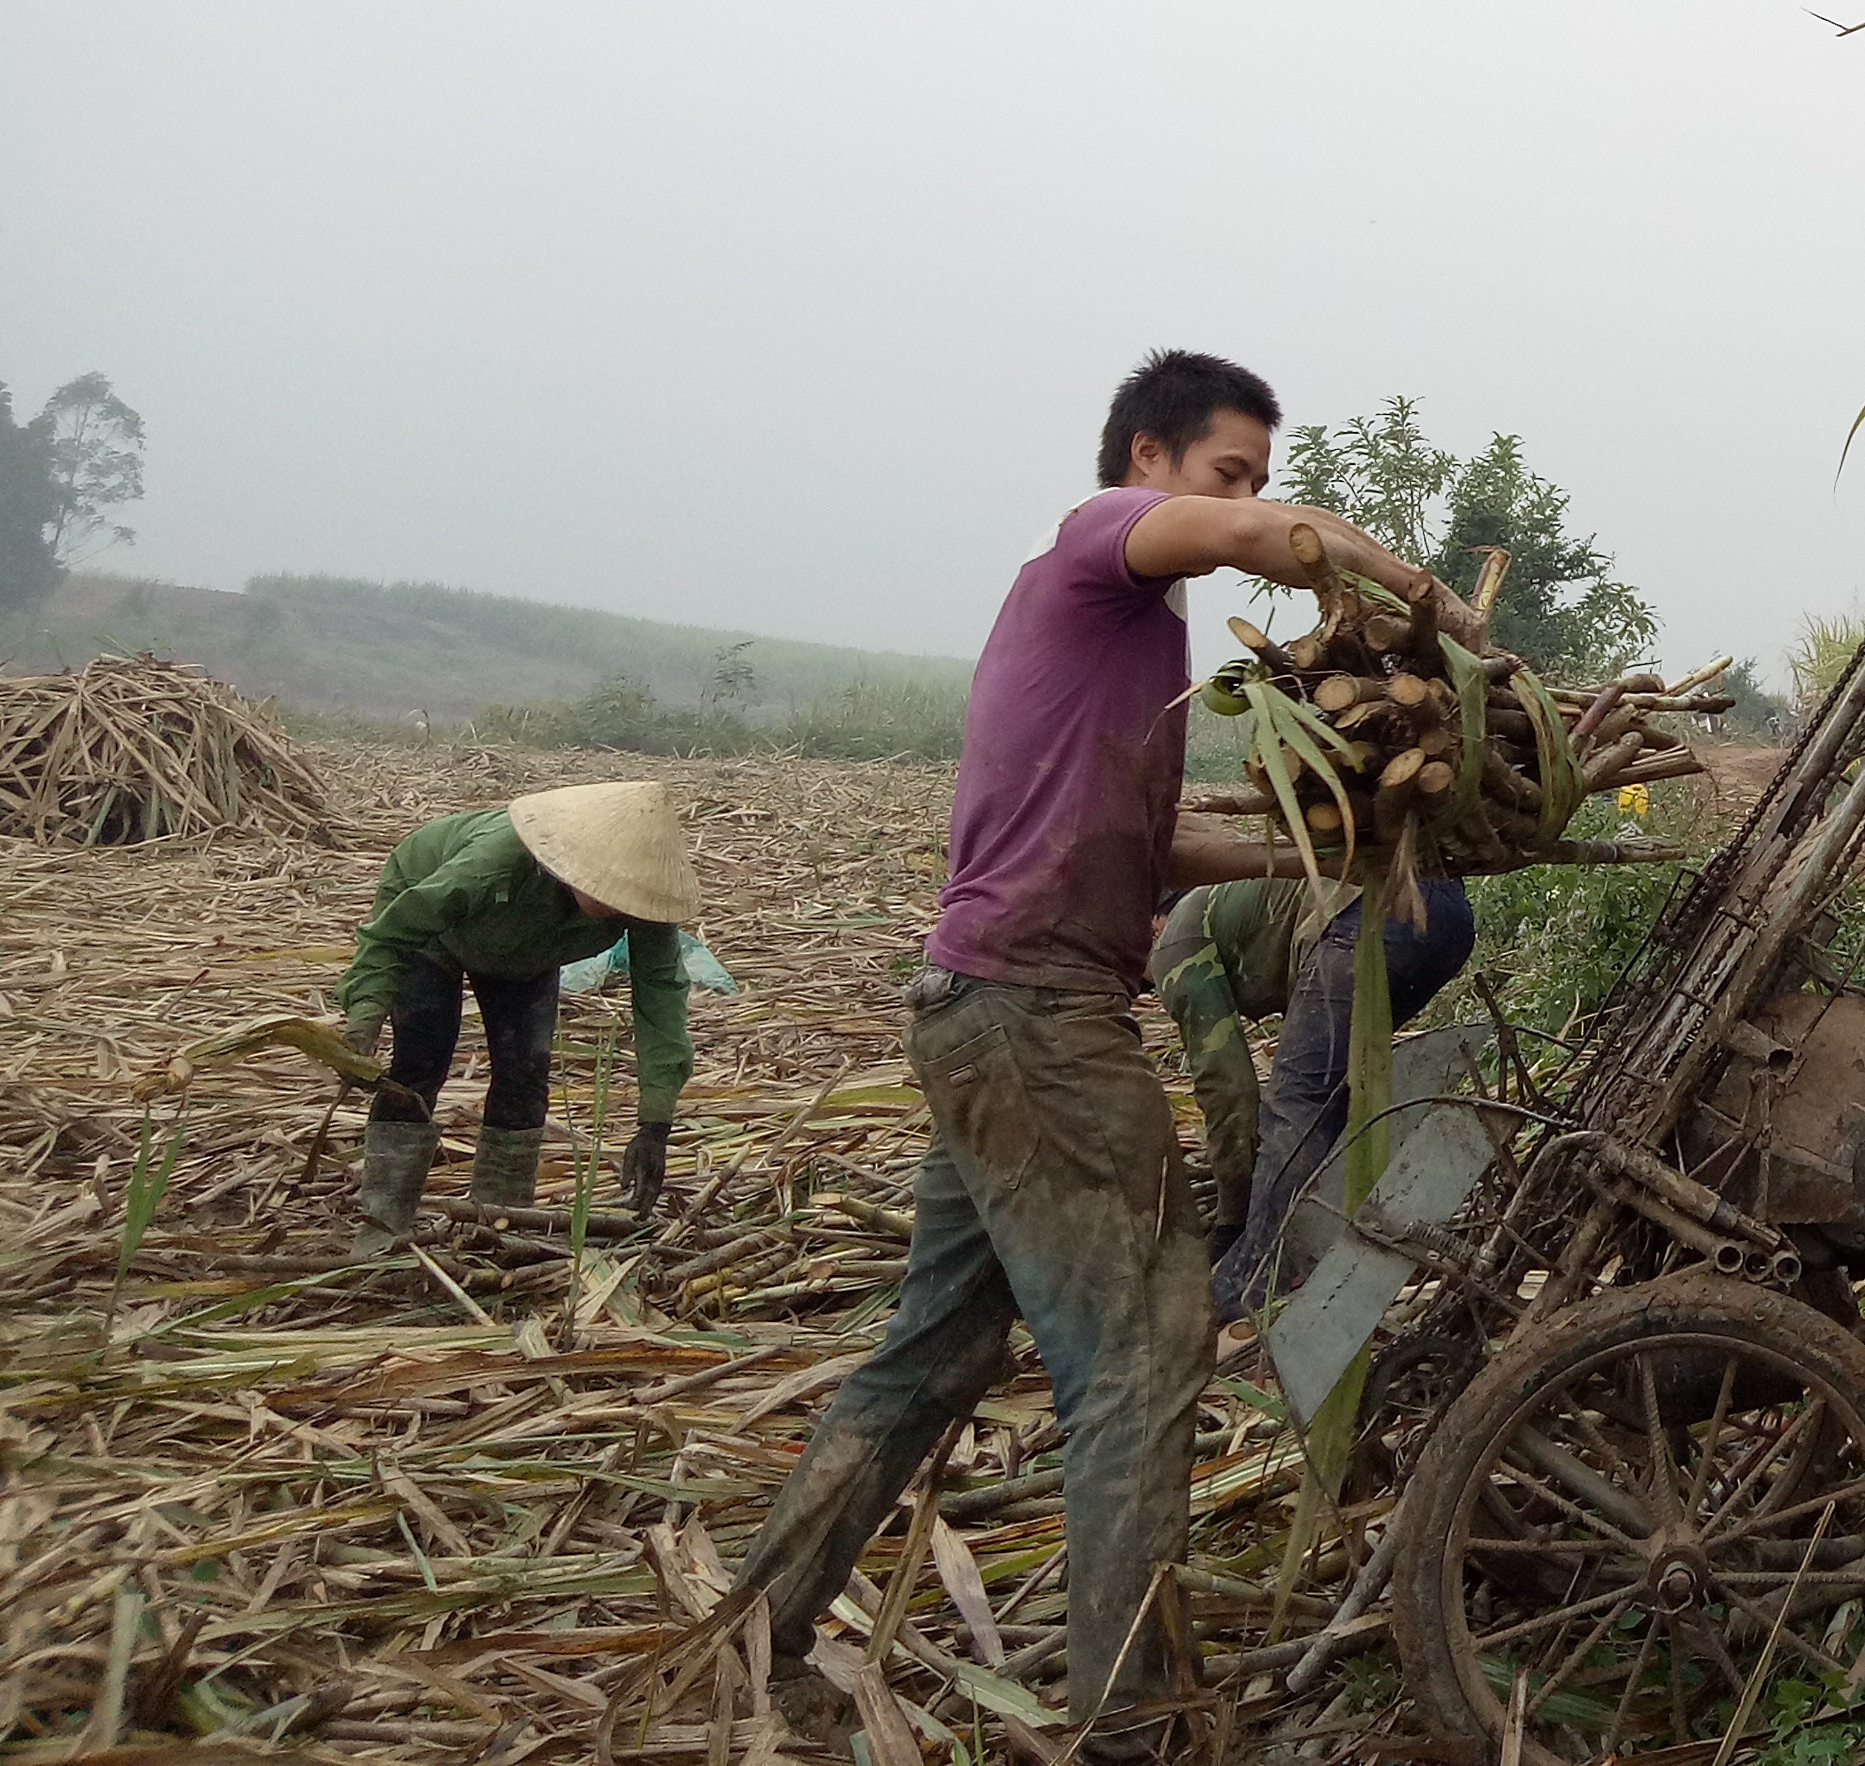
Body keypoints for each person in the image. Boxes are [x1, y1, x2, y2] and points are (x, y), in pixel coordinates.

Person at [730, 348, 1443, 1751]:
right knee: (1149, 1346)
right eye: (1226, 470)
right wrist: (1419, 599)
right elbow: (1260, 539)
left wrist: (1334, 848)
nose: (1247, 500)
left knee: (933, 1352)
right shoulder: (1094, 543)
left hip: (990, 1014)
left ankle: (760, 1630)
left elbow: (1155, 846)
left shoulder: (1132, 650)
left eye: (1255, 475)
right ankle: (1136, 1729)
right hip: (1037, 1022)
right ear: (1145, 461)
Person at [335, 781, 701, 1234]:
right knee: (420, 1060)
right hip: (432, 932)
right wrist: (363, 1021)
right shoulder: (494, 863)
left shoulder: (644, 903)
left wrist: (655, 1124)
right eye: (604, 887)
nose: (613, 902)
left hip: (526, 955)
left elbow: (661, 998)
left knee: (525, 1075)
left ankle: (500, 1224)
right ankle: (383, 1221)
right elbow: (392, 934)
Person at [1151, 871, 1476, 1320]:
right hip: (1446, 915)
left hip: (1372, 916)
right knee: (1338, 1099)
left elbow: (1229, 1091)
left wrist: (1234, 1222)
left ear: (1151, 923)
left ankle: (1257, 1279)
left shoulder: (1172, 944)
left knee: (1296, 1106)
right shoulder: (1223, 904)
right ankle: (1328, 1251)